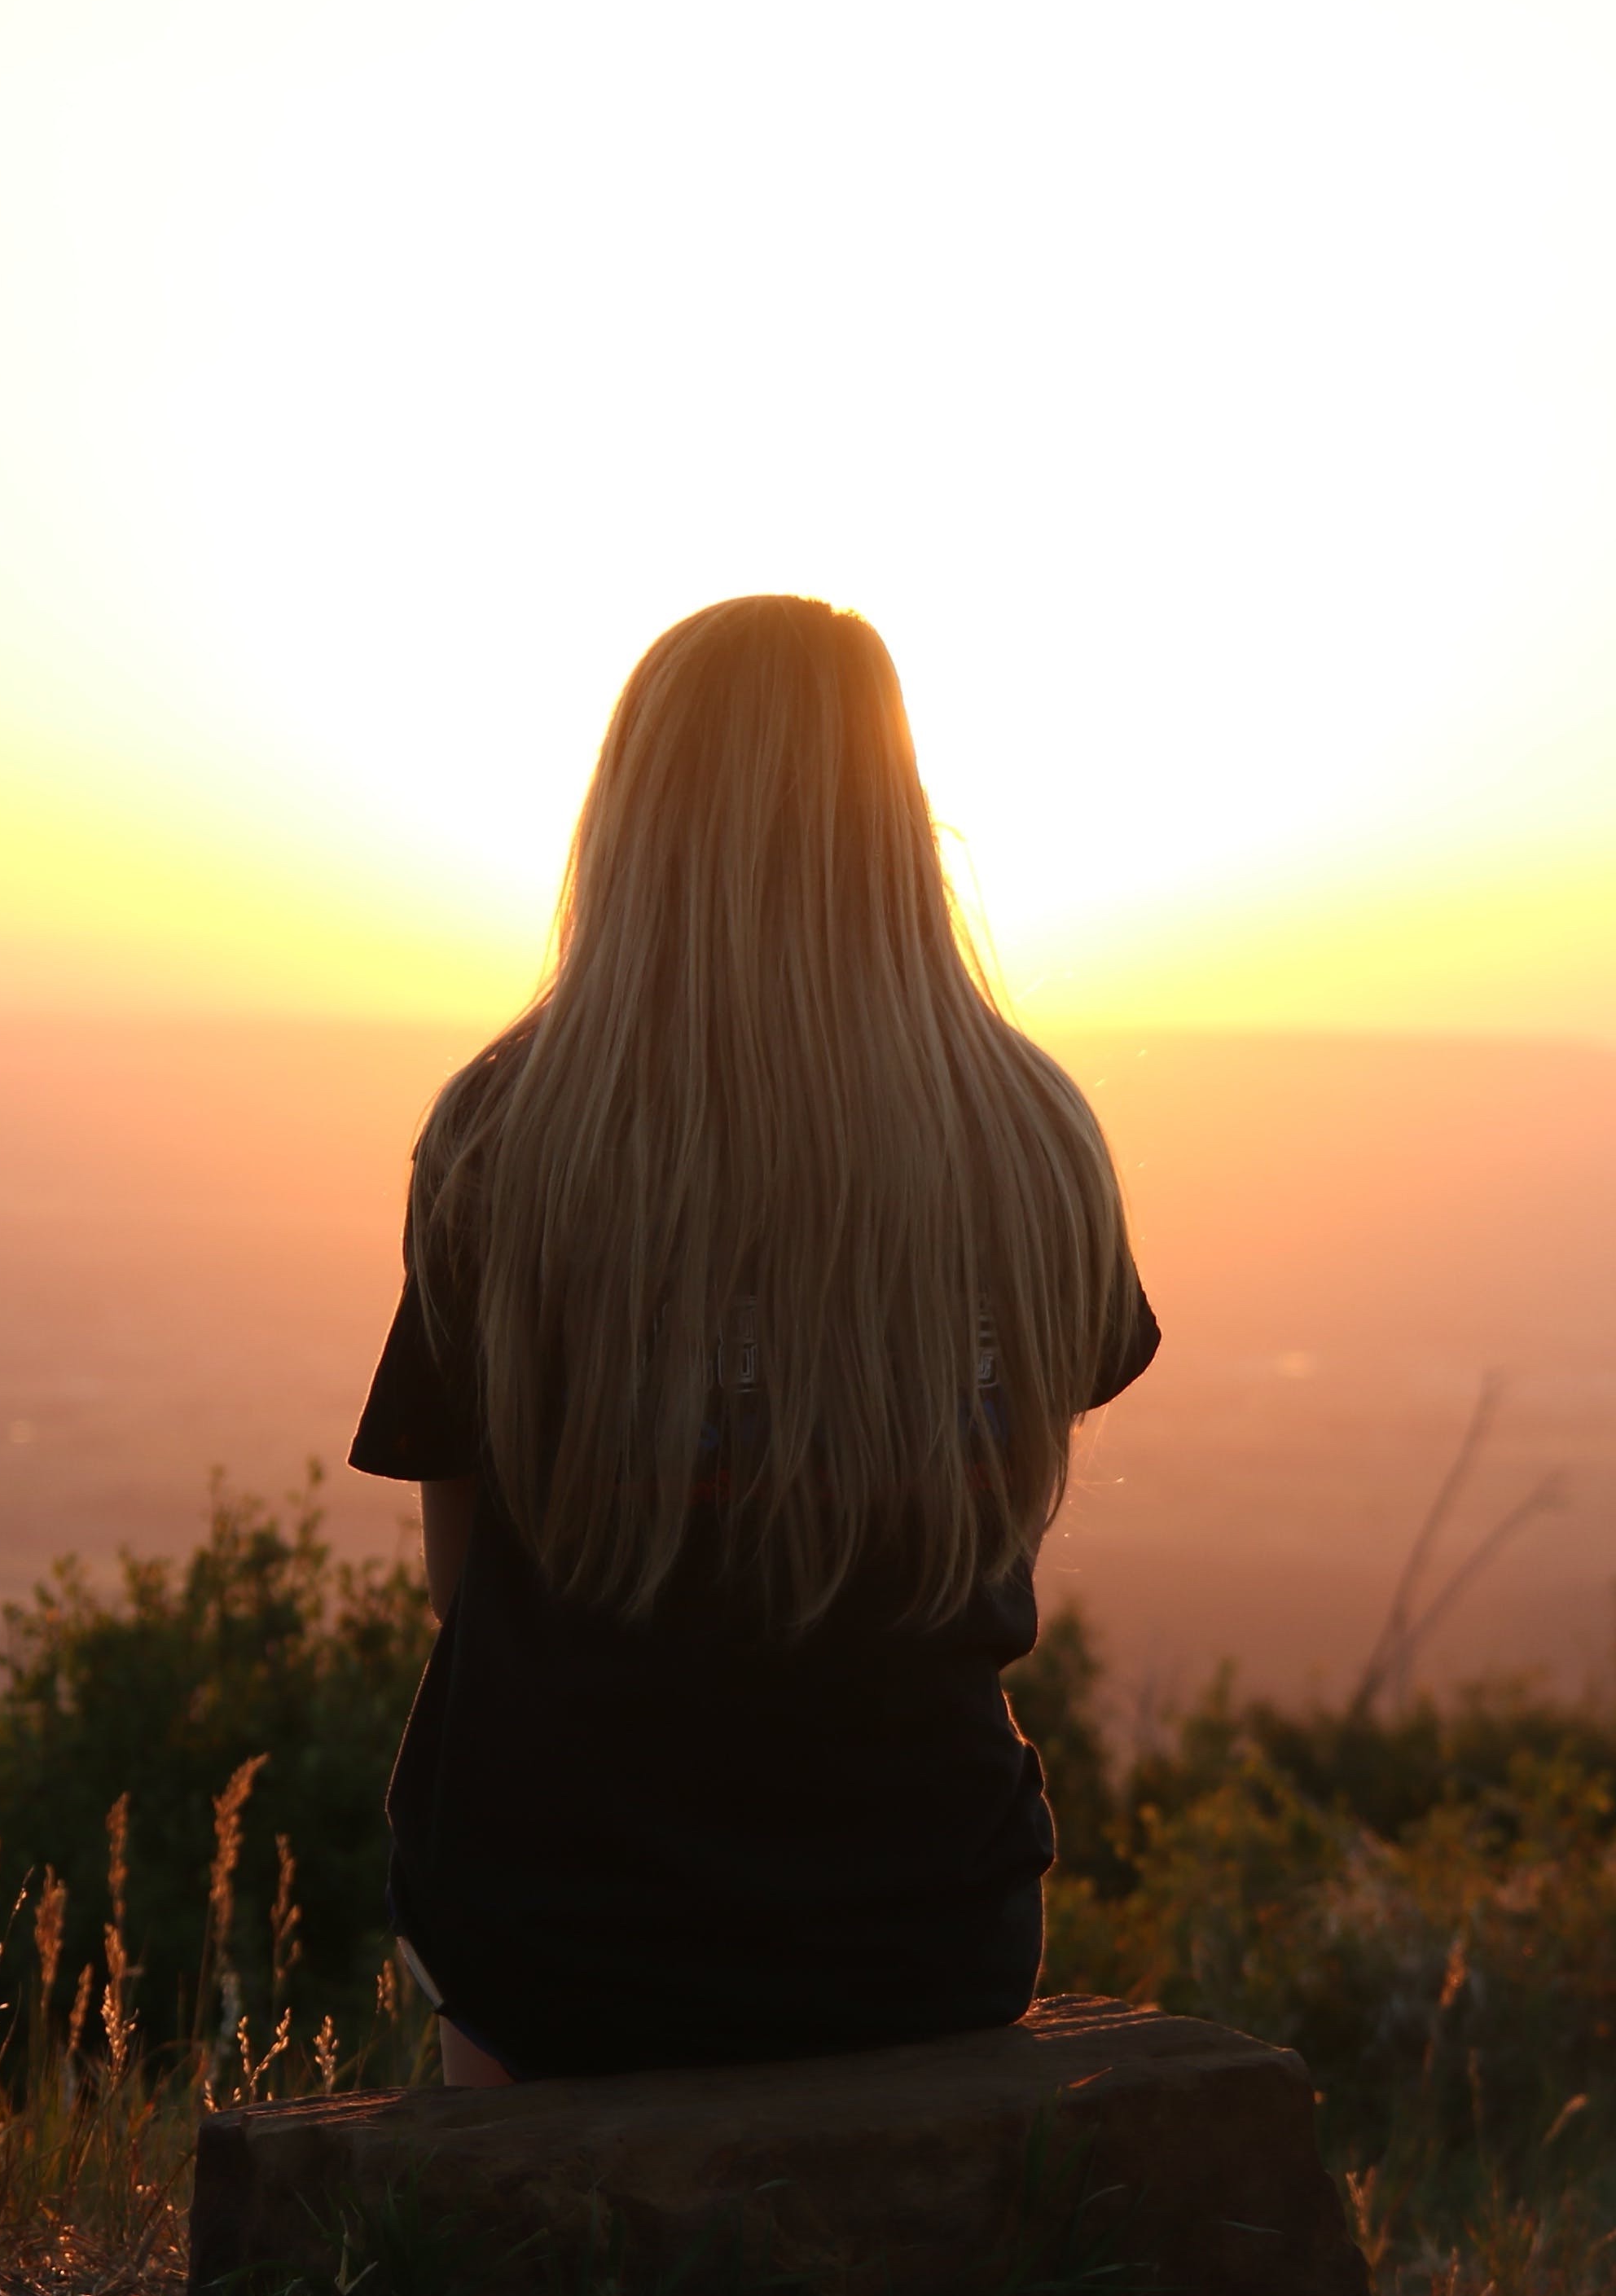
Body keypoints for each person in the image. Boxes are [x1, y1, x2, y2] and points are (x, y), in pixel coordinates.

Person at [347, 595, 1158, 2087]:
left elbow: (463, 1594)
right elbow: (1003, 1504)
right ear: (898, 817)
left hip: (563, 1945)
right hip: (927, 1933)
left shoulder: (499, 1142)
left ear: (631, 824)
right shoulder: (1038, 1141)